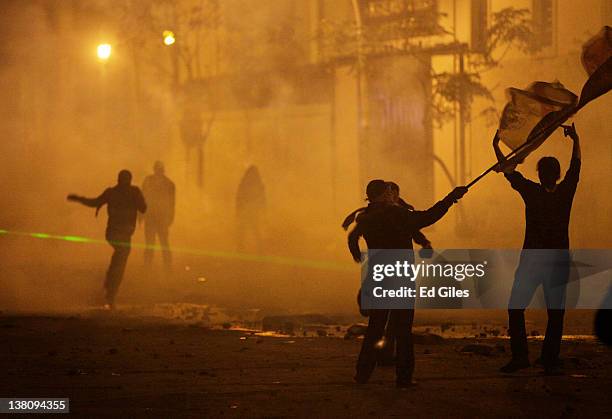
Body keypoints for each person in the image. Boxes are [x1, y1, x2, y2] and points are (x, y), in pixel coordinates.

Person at [347, 179, 467, 387]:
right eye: (389, 193)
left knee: (375, 327)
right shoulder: (398, 214)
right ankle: (404, 377)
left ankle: (362, 374)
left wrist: (357, 254)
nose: (393, 196)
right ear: (385, 195)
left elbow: (353, 237)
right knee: (402, 329)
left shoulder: (365, 218)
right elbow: (428, 216)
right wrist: (451, 198)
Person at [494, 123, 581, 375]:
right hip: (557, 262)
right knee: (555, 313)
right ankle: (549, 359)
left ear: (539, 173)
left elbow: (508, 170)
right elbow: (576, 167)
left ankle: (522, 357)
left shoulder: (532, 191)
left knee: (516, 307)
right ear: (557, 174)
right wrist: (576, 139)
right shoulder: (565, 192)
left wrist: (496, 146)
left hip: (532, 261)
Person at [67, 170, 146, 309]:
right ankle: (110, 291)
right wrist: (79, 199)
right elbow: (143, 208)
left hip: (117, 234)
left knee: (118, 260)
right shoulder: (129, 192)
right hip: (118, 234)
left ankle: (109, 289)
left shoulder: (116, 192)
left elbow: (95, 202)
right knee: (120, 261)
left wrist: (79, 199)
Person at [142, 161, 175, 271]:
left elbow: (171, 202)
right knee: (151, 243)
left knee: (163, 243)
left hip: (160, 217)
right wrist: (141, 214)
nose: (158, 171)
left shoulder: (168, 184)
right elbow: (142, 198)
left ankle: (166, 267)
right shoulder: (150, 181)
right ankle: (148, 266)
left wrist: (170, 217)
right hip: (152, 217)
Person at [235, 165, 266, 252]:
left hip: (246, 211)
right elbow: (263, 198)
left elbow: (239, 197)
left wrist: (238, 209)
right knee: (253, 230)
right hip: (251, 211)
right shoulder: (258, 184)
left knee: (244, 230)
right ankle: (259, 248)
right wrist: (263, 208)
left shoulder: (244, 183)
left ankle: (240, 247)